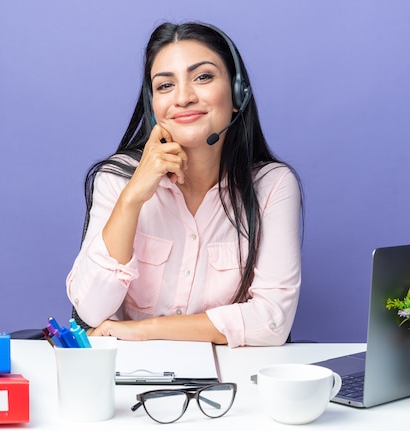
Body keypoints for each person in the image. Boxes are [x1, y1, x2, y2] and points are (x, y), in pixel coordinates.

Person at [66, 21, 303, 347]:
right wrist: (133, 197)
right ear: (154, 107)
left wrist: (145, 329)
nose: (183, 97)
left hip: (230, 382)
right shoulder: (117, 178)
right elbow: (91, 311)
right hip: (134, 381)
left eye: (203, 77)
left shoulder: (272, 186)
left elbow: (272, 320)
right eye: (165, 86)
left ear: (237, 94)